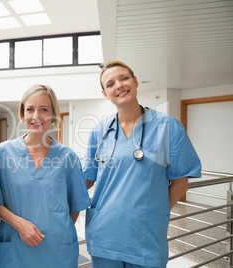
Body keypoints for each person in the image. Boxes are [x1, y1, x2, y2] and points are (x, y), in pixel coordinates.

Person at [82, 60, 201, 268]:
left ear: (135, 82)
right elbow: (86, 179)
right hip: (104, 235)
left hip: (146, 239)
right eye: (110, 84)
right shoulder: (100, 131)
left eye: (124, 78)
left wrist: (151, 214)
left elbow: (180, 183)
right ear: (105, 94)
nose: (118, 85)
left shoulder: (168, 127)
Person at [0, 85, 91, 267]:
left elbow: (74, 207)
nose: (36, 116)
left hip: (56, 250)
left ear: (53, 115)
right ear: (22, 113)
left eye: (44, 109)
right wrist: (19, 224)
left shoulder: (68, 157)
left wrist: (55, 230)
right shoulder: (2, 153)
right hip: (16, 249)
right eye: (30, 109)